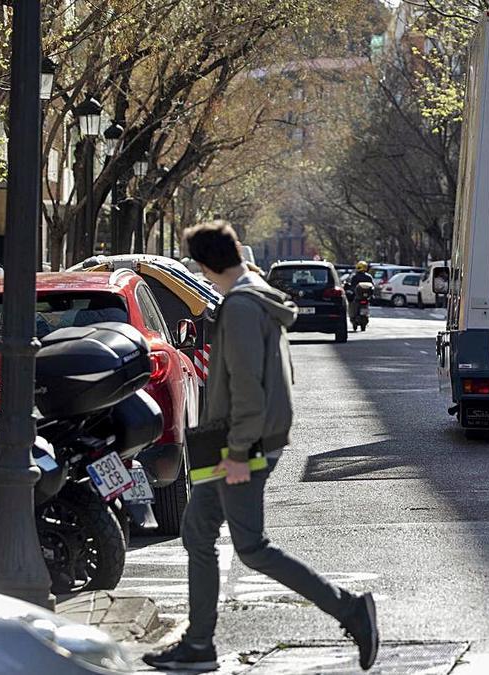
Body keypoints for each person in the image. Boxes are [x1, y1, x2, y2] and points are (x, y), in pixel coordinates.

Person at [144, 221, 378, 672]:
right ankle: (197, 644)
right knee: (197, 530)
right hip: (243, 439)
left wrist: (237, 451)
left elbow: (248, 386)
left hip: (243, 444)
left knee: (250, 547)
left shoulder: (242, 307)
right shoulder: (254, 293)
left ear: (204, 264)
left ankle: (350, 610)